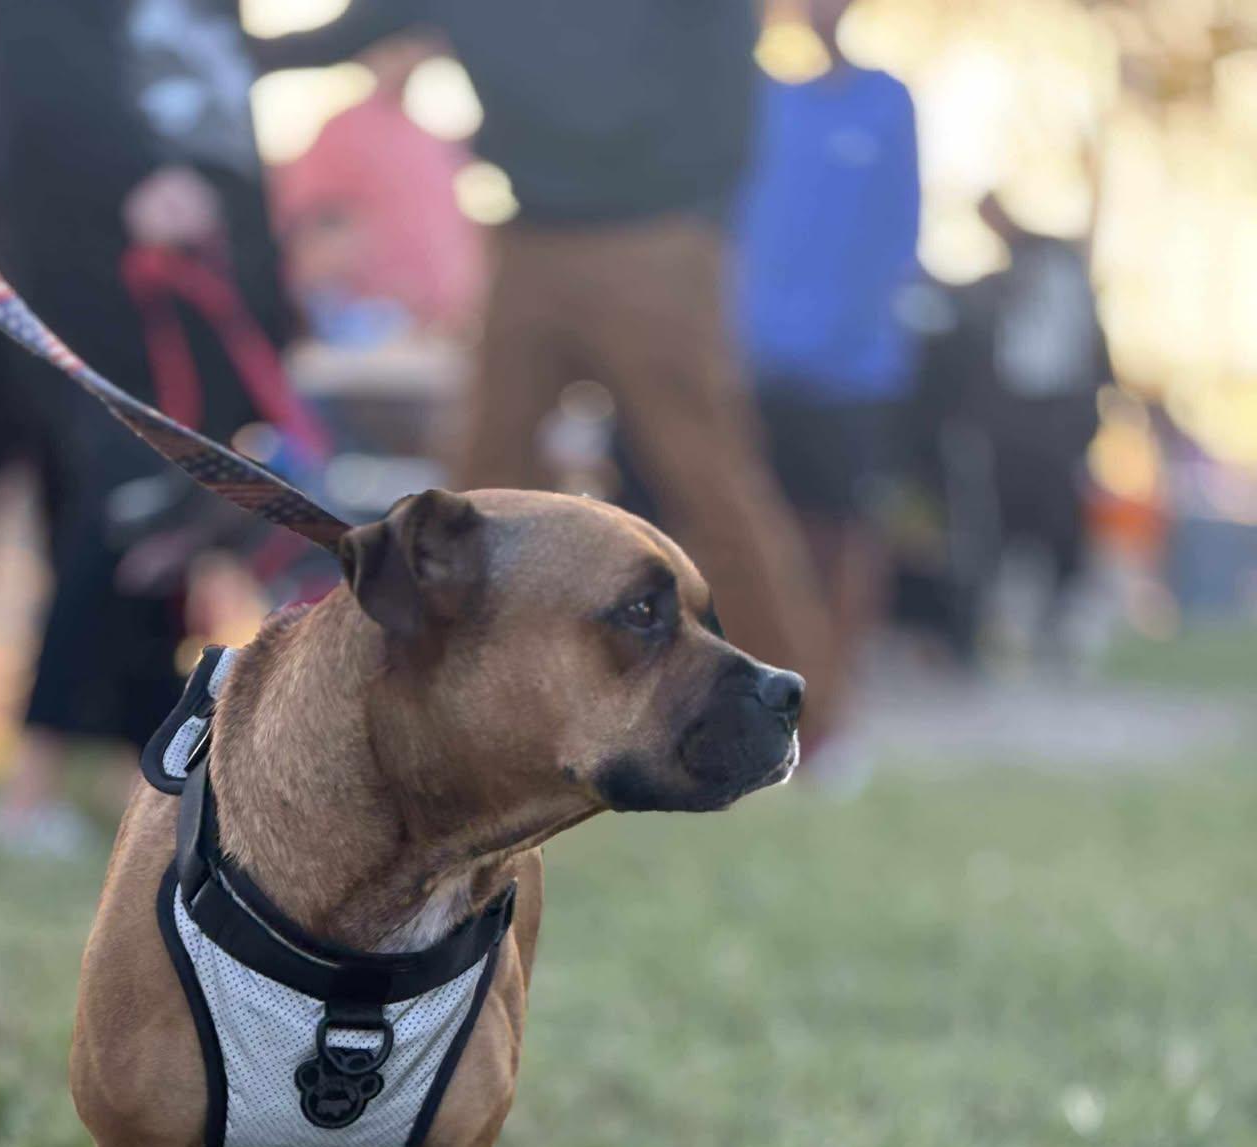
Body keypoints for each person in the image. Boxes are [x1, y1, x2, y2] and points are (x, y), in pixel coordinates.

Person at [250, 1, 828, 705]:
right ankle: (444, 703)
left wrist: (704, 207)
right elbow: (331, 39)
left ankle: (802, 713)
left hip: (656, 236)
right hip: (527, 239)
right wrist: (197, 33)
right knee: (476, 489)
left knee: (709, 484)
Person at [0, 0, 296, 853]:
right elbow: (35, 79)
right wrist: (140, 175)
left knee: (163, 531)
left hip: (212, 277)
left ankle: (143, 774)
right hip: (104, 280)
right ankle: (30, 786)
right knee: (118, 511)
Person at [736, 0, 920, 753]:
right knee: (755, 534)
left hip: (852, 373)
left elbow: (899, 230)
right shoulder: (759, 101)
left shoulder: (885, 102)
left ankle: (834, 707)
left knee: (843, 537)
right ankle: (757, 700)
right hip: (753, 363)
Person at [963, 194, 1113, 651]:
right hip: (1015, 417)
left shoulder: (1055, 263)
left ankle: (1059, 618)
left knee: (1060, 518)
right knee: (1008, 516)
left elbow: (1088, 348)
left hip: (1058, 415)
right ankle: (1008, 623)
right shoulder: (1001, 282)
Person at [273, 36, 484, 341]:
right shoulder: (342, 132)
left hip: (440, 328)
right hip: (370, 328)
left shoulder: (424, 136)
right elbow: (312, 230)